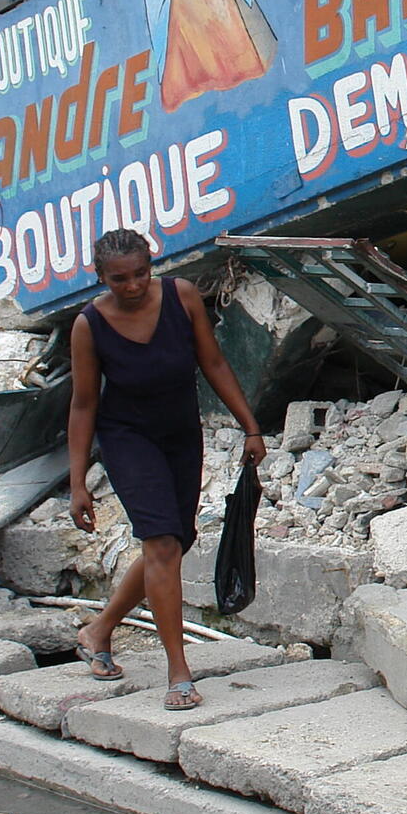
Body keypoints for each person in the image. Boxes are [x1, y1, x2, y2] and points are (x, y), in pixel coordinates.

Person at [68, 230, 266, 710]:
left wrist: (250, 426)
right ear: (100, 278)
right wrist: (77, 482)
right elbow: (83, 404)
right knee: (159, 542)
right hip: (127, 438)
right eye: (119, 279)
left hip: (180, 433)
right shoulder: (89, 326)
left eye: (140, 273)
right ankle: (179, 672)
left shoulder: (181, 296)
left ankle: (98, 629)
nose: (133, 285)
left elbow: (213, 362)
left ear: (151, 265)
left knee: (177, 541)